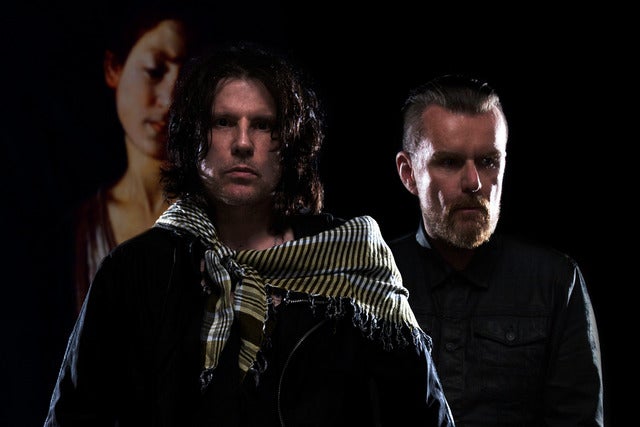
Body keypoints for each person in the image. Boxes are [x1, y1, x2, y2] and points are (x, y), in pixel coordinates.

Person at [44, 42, 455, 426]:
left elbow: (422, 414)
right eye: (223, 122)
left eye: (262, 125)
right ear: (194, 137)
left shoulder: (353, 260)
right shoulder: (135, 271)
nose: (242, 143)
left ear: (289, 143)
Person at [389, 74, 603, 426]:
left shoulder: (555, 283)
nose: (473, 182)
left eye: (488, 161)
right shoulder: (372, 281)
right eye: (449, 162)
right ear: (408, 173)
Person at [70, 2, 208, 314]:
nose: (170, 99)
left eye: (187, 77)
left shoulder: (225, 219)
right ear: (113, 68)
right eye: (154, 71)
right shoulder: (78, 233)